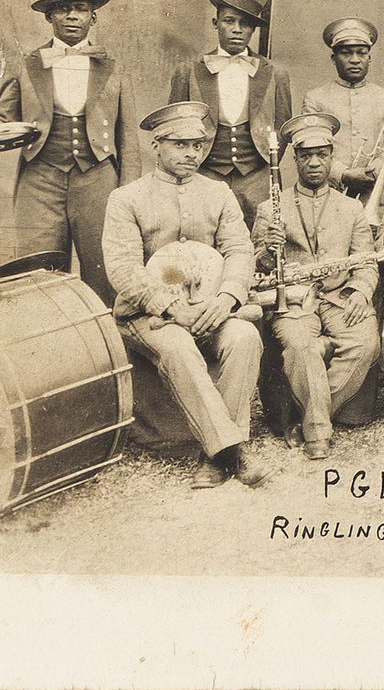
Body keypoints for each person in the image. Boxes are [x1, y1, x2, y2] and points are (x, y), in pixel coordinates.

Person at [0, 0, 140, 303]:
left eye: (80, 8)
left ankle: (107, 337)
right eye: (62, 9)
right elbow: (2, 117)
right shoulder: (28, 65)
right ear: (49, 16)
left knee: (106, 271)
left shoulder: (114, 69)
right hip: (40, 181)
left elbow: (127, 140)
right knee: (37, 275)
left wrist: (127, 195)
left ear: (93, 16)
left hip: (98, 181)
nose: (72, 16)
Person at [101, 101, 269, 489]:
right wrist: (170, 307)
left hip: (210, 308)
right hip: (148, 316)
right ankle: (233, 453)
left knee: (244, 337)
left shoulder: (219, 192)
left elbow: (239, 250)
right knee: (177, 347)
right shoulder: (126, 198)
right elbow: (123, 269)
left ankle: (212, 455)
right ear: (156, 146)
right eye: (180, 145)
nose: (191, 154)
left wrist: (226, 299)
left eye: (197, 145)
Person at [250, 112, 381, 460]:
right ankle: (318, 431)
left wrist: (360, 291)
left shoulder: (351, 208)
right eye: (306, 155)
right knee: (300, 346)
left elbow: (366, 262)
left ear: (332, 157)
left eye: (322, 155)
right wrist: (269, 251)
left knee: (366, 343)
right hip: (294, 301)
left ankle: (308, 417)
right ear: (294, 159)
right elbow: (255, 265)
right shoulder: (270, 208)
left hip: (340, 296)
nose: (314, 163)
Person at [168, 0, 293, 227]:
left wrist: (263, 164)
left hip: (257, 178)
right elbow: (174, 128)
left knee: (261, 240)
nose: (237, 29)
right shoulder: (188, 71)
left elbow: (283, 127)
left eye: (245, 23)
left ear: (253, 29)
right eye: (229, 21)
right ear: (215, 23)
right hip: (204, 174)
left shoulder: (275, 73)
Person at [300, 18, 384, 197]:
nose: (355, 60)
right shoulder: (315, 98)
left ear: (369, 58)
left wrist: (375, 172)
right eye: (346, 53)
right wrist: (342, 174)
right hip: (330, 192)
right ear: (333, 58)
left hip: (376, 192)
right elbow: (309, 148)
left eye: (361, 53)